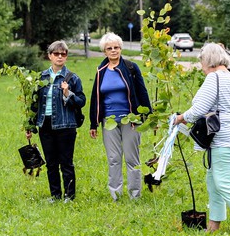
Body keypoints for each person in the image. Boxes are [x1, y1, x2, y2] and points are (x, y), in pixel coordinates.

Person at [173, 43, 230, 235]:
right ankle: (213, 227)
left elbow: (199, 109)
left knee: (226, 184)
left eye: (201, 60)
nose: (201, 65)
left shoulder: (214, 78)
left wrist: (180, 118)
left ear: (208, 60)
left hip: (224, 139)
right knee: (213, 183)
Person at [89, 32, 151, 201]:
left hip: (130, 120)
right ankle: (115, 194)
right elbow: (95, 97)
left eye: (116, 47)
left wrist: (149, 116)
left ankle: (135, 195)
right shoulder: (101, 71)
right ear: (104, 51)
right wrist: (93, 124)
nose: (113, 50)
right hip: (109, 121)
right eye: (109, 48)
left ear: (121, 49)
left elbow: (142, 92)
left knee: (132, 158)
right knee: (114, 159)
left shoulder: (131, 68)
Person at [26, 41, 86, 203]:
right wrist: (30, 125)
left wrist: (68, 93)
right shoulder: (41, 78)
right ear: (49, 56)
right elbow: (34, 103)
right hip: (45, 125)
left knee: (66, 162)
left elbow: (81, 101)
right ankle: (55, 196)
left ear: (66, 57)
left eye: (63, 54)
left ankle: (69, 196)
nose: (60, 57)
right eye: (56, 54)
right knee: (51, 163)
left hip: (66, 125)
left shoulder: (73, 78)